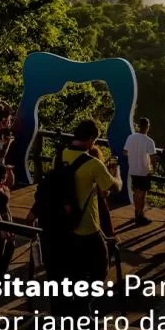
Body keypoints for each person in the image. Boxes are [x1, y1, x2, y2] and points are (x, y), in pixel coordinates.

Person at [48, 120, 122, 291]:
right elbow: (115, 187)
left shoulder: (58, 158)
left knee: (72, 272)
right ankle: (84, 306)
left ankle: (73, 306)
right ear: (90, 139)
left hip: (62, 225)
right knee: (100, 270)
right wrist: (116, 172)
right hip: (87, 226)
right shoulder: (93, 164)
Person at [124, 116, 158, 226]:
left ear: (139, 126)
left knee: (136, 192)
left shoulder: (130, 137)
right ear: (147, 127)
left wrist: (133, 155)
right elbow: (153, 158)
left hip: (133, 169)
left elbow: (125, 152)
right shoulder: (149, 141)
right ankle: (140, 215)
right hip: (144, 170)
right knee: (142, 194)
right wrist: (154, 169)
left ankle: (136, 212)